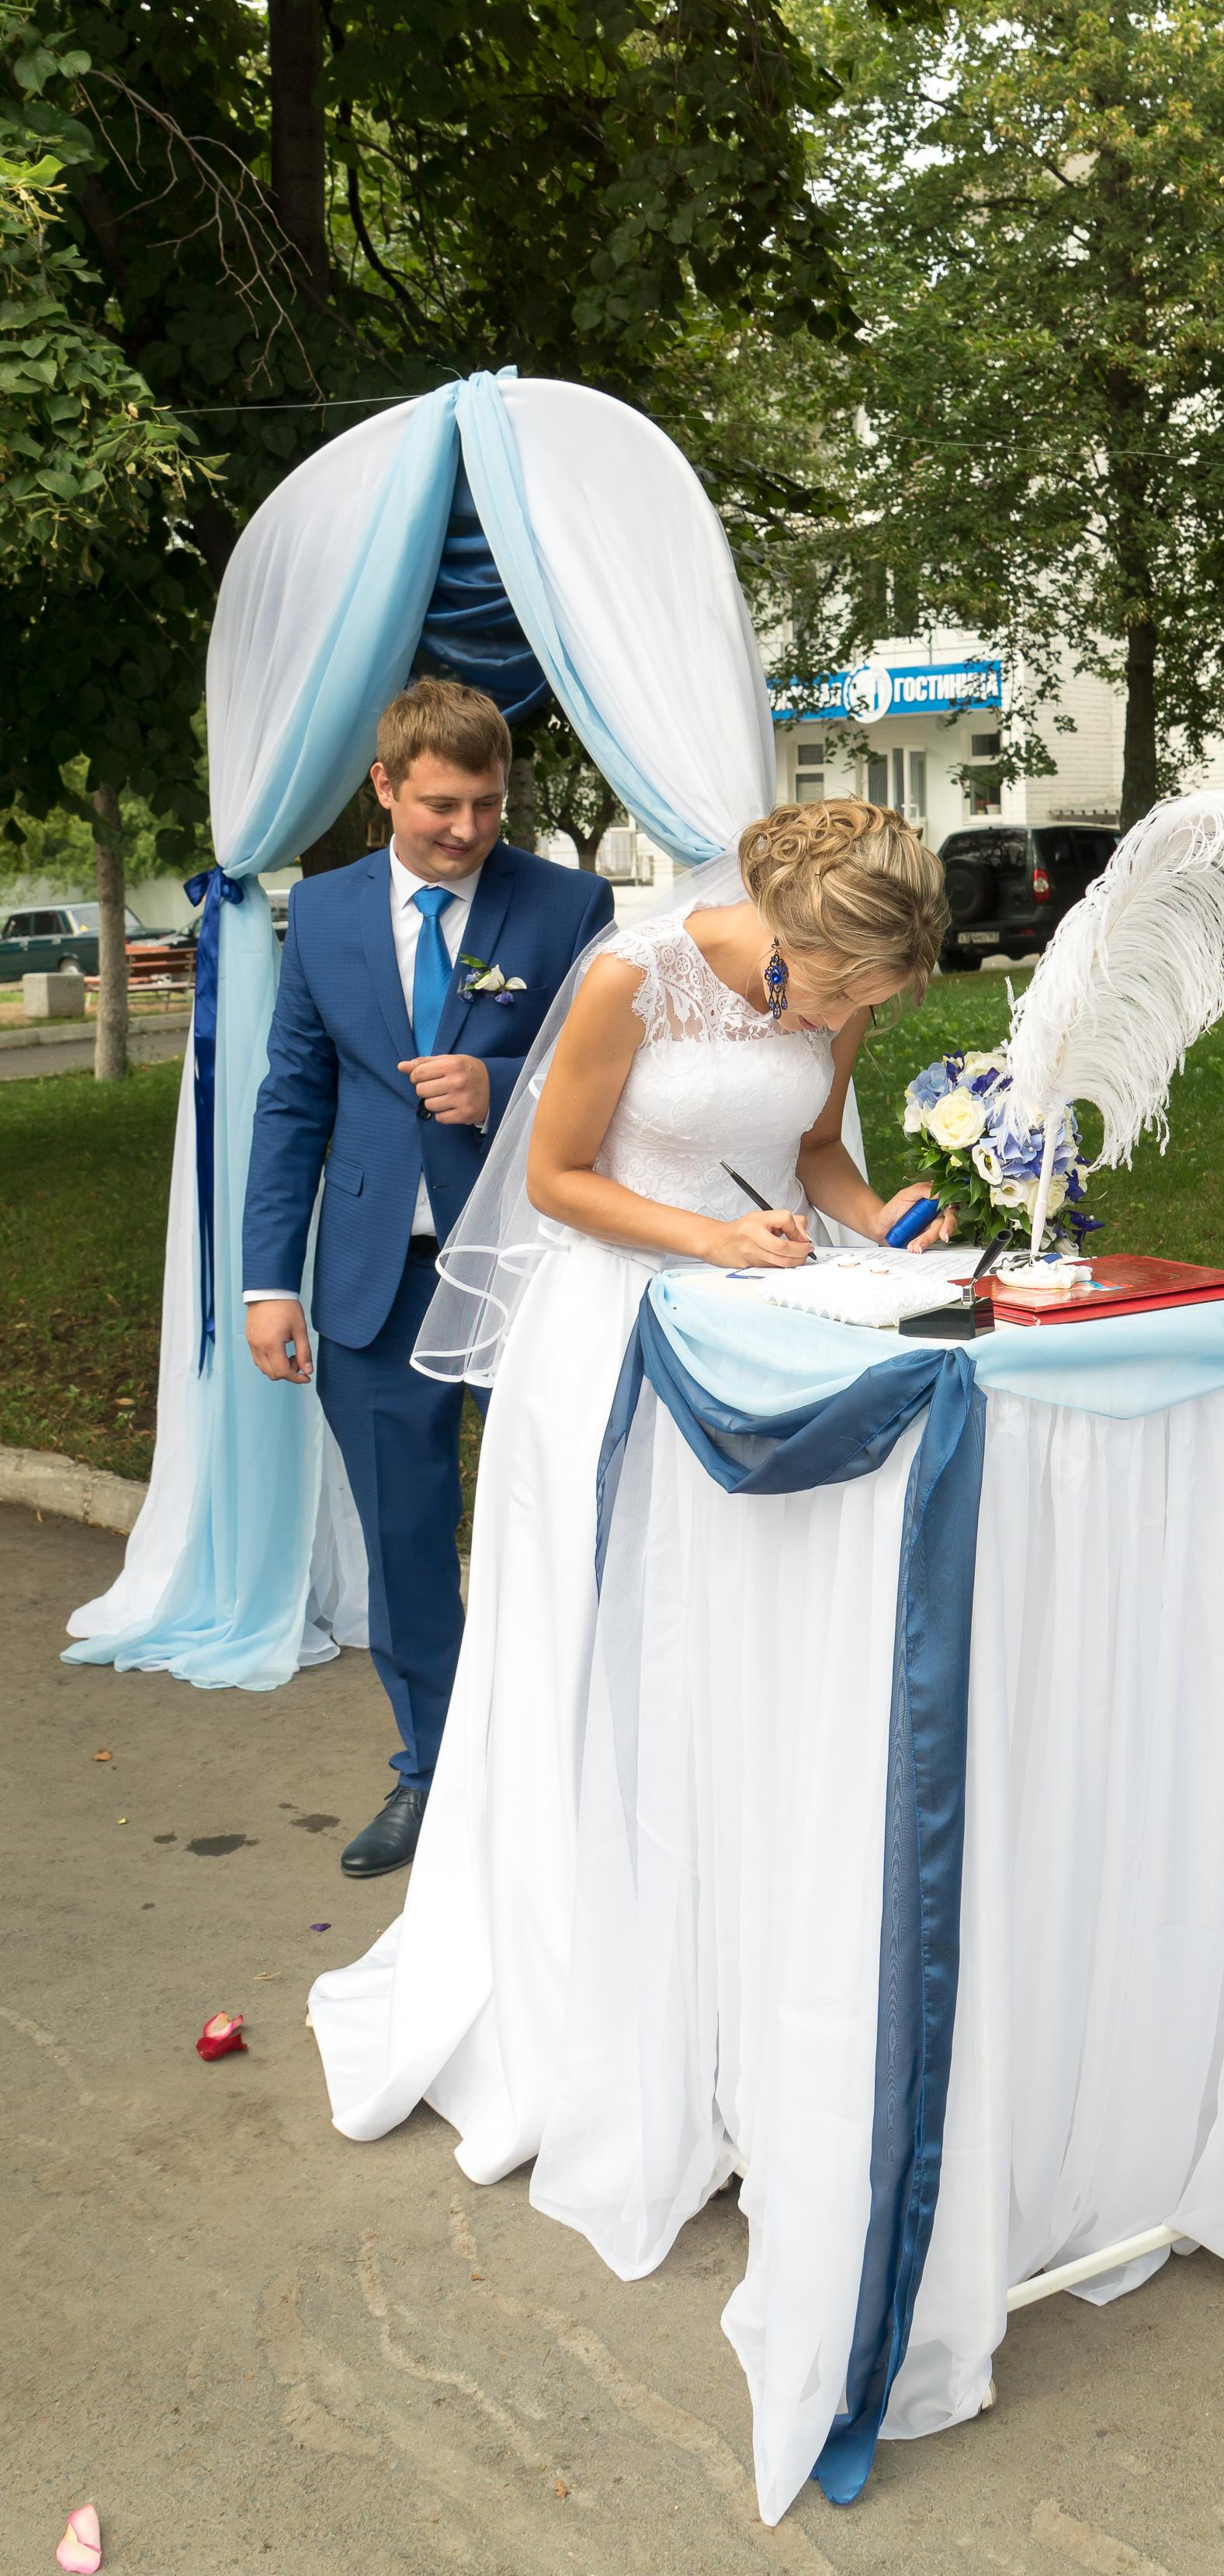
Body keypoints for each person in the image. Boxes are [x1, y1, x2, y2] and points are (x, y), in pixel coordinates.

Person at [306, 797, 954, 2180]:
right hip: (611, 1329)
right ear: (785, 926)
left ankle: (728, 1958)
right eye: (831, 984)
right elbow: (550, 1180)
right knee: (607, 1638)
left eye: (861, 997)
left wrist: (881, 1217)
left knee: (728, 1643)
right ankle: (588, 1977)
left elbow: (819, 1155)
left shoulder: (840, 989)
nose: (837, 1010)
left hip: (765, 1322)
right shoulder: (629, 973)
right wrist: (707, 1237)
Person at [241, 677, 614, 1878]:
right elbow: (294, 1094)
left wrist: (503, 1090)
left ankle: (574, 1770)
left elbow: (624, 1082)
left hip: (528, 1270)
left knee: (560, 1522)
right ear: (385, 786)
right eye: (442, 806)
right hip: (368, 1282)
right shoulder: (328, 912)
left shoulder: (570, 904)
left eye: (489, 807)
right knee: (406, 1546)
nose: (466, 831)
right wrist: (266, 1281)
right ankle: (436, 1775)